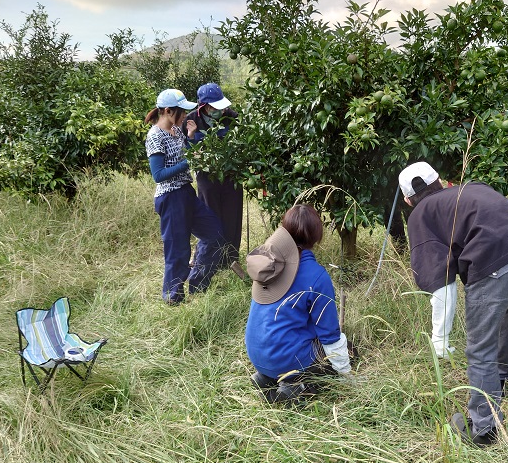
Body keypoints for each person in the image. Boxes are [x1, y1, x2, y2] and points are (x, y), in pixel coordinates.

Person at [398, 161, 508, 447]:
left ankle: (484, 429)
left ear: (408, 201)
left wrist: (440, 337)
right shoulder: (474, 189)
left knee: (479, 347)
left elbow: (439, 280)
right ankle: (500, 381)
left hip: (498, 264)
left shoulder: (420, 213)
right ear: (443, 181)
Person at [245, 204, 353, 404]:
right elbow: (330, 336)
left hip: (256, 353)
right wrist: (347, 378)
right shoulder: (317, 276)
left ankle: (267, 377)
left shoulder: (267, 264)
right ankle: (299, 386)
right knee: (348, 351)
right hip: (286, 358)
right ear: (316, 237)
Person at [144, 89, 227, 305]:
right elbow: (158, 175)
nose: (185, 116)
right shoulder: (155, 136)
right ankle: (173, 298)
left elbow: (184, 152)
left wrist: (190, 138)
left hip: (186, 193)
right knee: (178, 251)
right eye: (182, 112)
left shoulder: (176, 130)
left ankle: (197, 284)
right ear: (168, 111)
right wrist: (188, 161)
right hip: (170, 198)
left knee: (215, 233)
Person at [183, 83, 243, 268]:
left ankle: (230, 259)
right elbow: (188, 153)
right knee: (210, 216)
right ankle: (208, 259)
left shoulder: (232, 117)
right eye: (216, 107)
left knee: (232, 216)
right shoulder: (191, 121)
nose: (222, 110)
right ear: (205, 107)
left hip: (231, 175)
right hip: (206, 178)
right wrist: (191, 137)